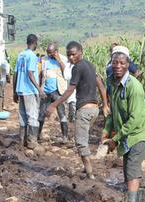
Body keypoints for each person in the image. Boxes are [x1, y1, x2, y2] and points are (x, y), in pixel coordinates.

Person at [100, 51, 145, 202]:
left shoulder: (134, 87)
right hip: (127, 133)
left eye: (122, 63)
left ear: (128, 65)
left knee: (132, 168)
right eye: (115, 63)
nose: (118, 66)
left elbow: (135, 119)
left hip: (138, 132)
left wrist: (117, 138)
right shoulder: (113, 84)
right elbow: (113, 113)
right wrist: (107, 131)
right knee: (128, 171)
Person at [45, 41, 109, 180]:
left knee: (80, 143)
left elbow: (70, 90)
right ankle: (87, 170)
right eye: (68, 55)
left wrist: (54, 104)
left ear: (80, 52)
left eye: (73, 54)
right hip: (94, 110)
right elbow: (101, 86)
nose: (71, 58)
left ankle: (90, 174)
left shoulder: (77, 68)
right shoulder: (90, 65)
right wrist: (104, 104)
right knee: (83, 139)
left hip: (84, 111)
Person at [37, 42, 68, 143]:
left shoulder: (63, 59)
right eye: (48, 52)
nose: (49, 54)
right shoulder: (44, 59)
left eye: (51, 52)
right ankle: (38, 135)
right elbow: (41, 74)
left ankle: (65, 137)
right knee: (41, 114)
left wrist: (59, 60)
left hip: (58, 91)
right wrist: (40, 89)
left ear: (56, 51)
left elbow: (66, 74)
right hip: (46, 91)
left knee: (62, 114)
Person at [14, 34, 40, 148]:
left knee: (23, 116)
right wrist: (39, 89)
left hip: (20, 89)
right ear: (35, 43)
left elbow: (15, 74)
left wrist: (15, 91)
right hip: (30, 90)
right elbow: (30, 73)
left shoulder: (21, 55)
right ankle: (32, 142)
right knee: (33, 116)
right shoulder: (32, 56)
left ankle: (21, 141)